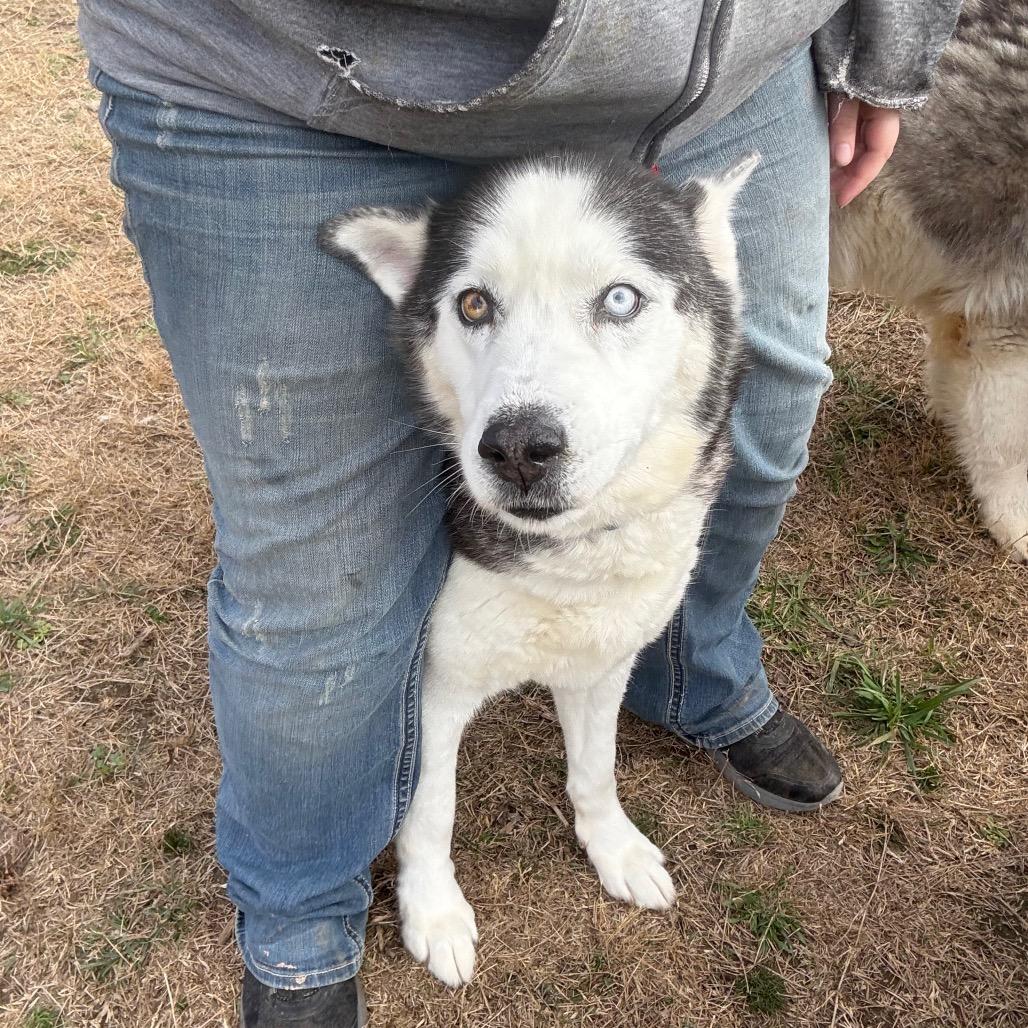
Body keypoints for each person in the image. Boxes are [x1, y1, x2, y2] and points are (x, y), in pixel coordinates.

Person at [79, 2, 960, 1024]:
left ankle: (686, 670)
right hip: (284, 77)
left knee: (758, 434)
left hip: (726, 65)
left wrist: (887, 44)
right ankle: (305, 897)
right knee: (316, 589)